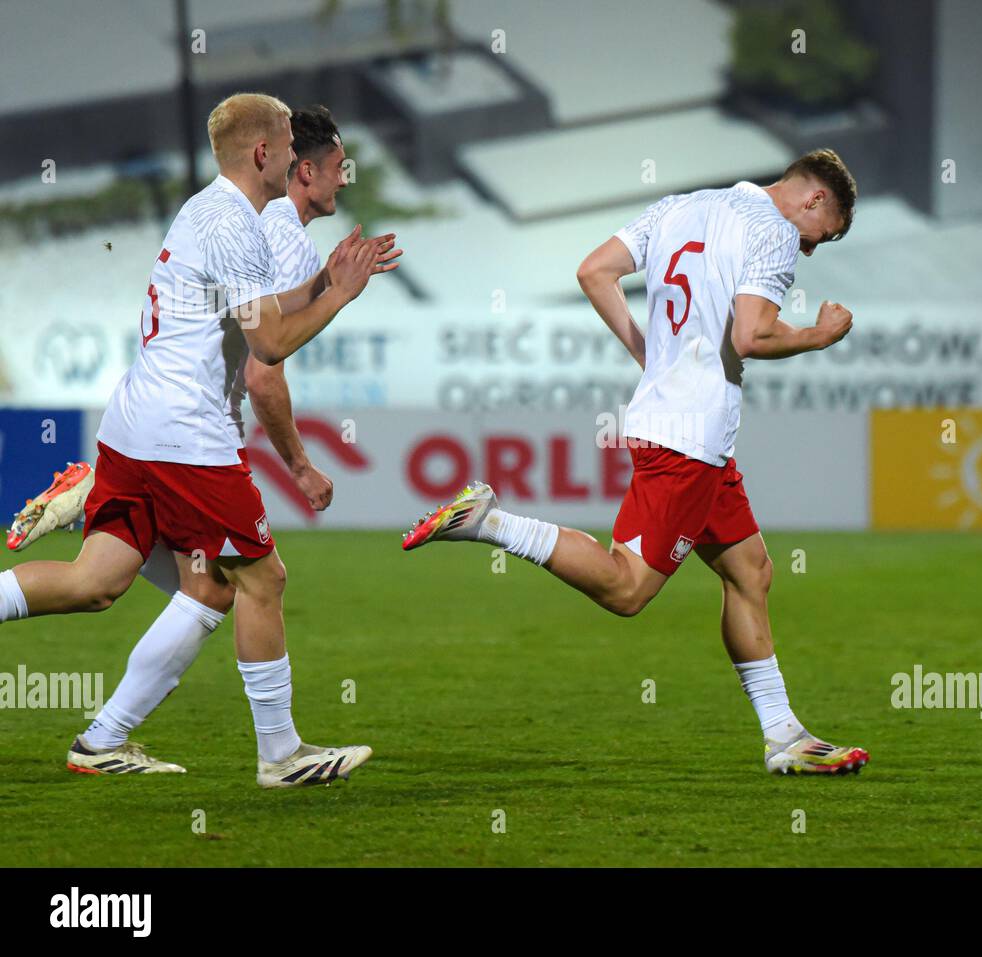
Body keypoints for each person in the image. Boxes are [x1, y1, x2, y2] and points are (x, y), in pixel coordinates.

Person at [401, 149, 869, 775]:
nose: (811, 248)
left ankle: (785, 737)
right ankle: (491, 522)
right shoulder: (775, 232)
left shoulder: (684, 206)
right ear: (813, 200)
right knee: (626, 588)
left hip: (686, 429)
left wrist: (648, 352)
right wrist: (821, 333)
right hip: (690, 439)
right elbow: (752, 336)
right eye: (824, 235)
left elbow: (595, 271)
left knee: (750, 572)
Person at [0, 94, 398, 788]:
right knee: (261, 578)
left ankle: (102, 739)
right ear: (267, 155)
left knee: (112, 582)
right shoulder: (242, 224)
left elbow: (257, 315)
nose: (322, 168)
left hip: (135, 425)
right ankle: (281, 754)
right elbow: (266, 347)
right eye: (287, 142)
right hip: (187, 436)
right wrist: (341, 295)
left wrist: (322, 281)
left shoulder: (210, 210)